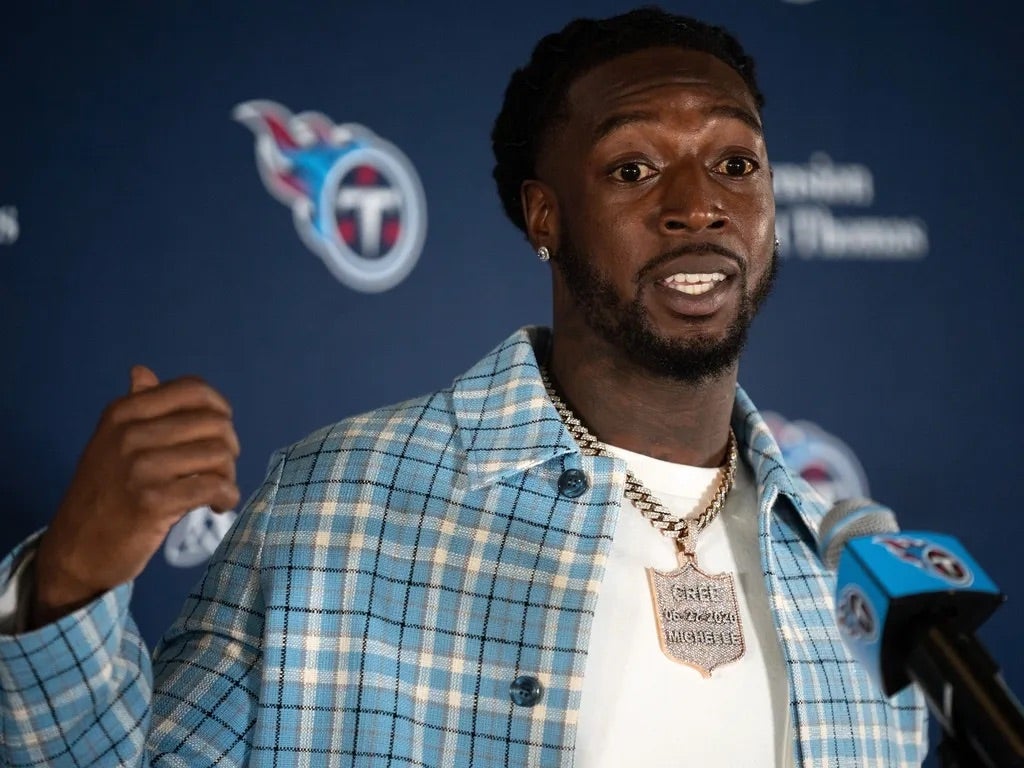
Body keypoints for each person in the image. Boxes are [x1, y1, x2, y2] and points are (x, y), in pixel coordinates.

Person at [0, 8, 926, 767]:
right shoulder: (338, 505)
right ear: (544, 217)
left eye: (736, 163)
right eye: (633, 169)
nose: (698, 204)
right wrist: (69, 586)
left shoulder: (855, 578)